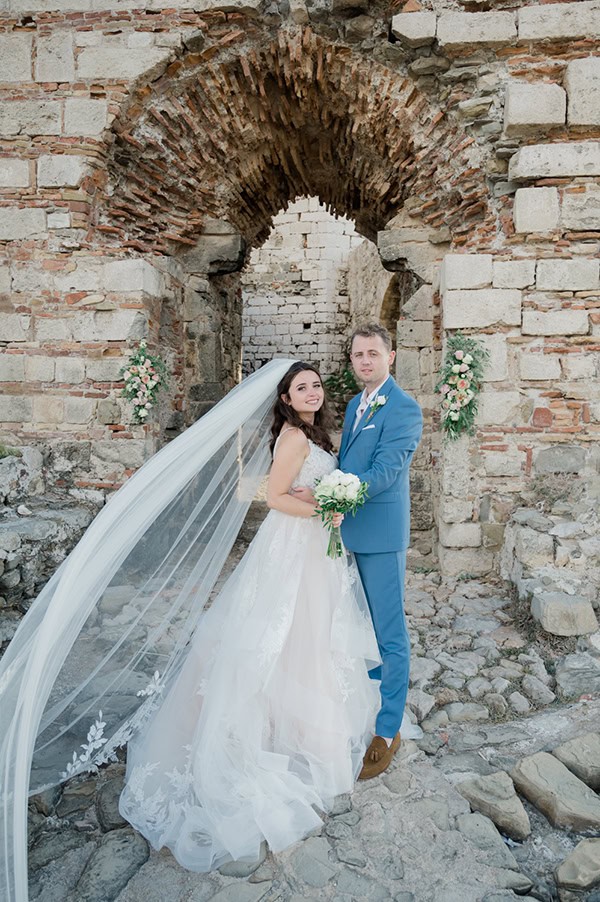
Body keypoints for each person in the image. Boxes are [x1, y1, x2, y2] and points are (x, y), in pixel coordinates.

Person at [118, 361, 383, 870]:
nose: (311, 391)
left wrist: (327, 504)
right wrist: (327, 511)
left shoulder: (313, 433)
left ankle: (300, 720)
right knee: (278, 632)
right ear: (285, 398)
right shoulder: (291, 438)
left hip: (314, 552)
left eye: (315, 385)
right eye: (300, 387)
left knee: (308, 636)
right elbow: (275, 497)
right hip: (292, 548)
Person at [294, 324, 423, 779]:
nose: (364, 361)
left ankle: (387, 729)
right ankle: (364, 706)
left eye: (372, 354)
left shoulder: (404, 409)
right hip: (343, 533)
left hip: (381, 534)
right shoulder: (354, 404)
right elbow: (347, 461)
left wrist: (336, 493)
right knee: (357, 626)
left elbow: (385, 471)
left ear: (391, 357)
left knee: (389, 632)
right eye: (357, 355)